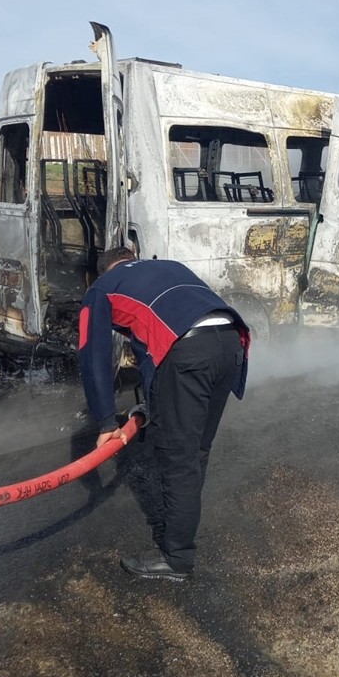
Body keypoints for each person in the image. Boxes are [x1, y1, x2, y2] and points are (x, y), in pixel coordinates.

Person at [79, 246, 250, 583]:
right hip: (231, 341)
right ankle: (180, 523)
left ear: (105, 270)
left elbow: (92, 356)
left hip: (188, 351)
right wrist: (154, 404)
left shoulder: (102, 287)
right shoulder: (169, 266)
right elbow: (150, 346)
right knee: (198, 448)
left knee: (178, 456)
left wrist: (106, 422)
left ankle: (177, 558)